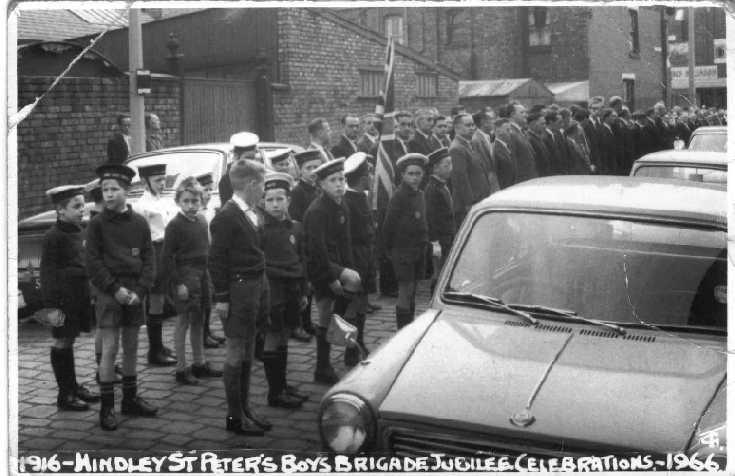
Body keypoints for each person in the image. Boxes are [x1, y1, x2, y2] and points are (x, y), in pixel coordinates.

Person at [86, 163, 157, 431]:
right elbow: (93, 262)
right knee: (110, 348)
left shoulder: (139, 223)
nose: (109, 194)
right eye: (105, 189)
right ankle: (107, 408)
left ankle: (130, 399)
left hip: (134, 293)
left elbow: (150, 258)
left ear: (127, 191)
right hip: (109, 292)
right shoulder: (97, 224)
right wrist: (115, 289)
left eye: (114, 189)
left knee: (131, 346)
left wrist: (139, 291)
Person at [209, 158, 272, 436]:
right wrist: (222, 297)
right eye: (263, 185)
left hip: (255, 286)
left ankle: (245, 408)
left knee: (247, 349)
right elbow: (216, 260)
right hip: (238, 290)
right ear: (251, 184)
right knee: (236, 351)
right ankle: (234, 417)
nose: (265, 190)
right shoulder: (226, 216)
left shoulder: (250, 211)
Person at [41, 185, 100, 412]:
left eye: (83, 204)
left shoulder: (78, 230)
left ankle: (73, 386)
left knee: (71, 340)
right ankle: (64, 394)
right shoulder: (53, 236)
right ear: (60, 210)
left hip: (78, 296)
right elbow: (46, 273)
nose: (82, 209)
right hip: (62, 300)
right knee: (62, 341)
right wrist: (52, 306)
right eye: (76, 206)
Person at [303, 158, 361, 384]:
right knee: (326, 313)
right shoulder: (317, 211)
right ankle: (322, 366)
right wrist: (331, 279)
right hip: (320, 267)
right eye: (333, 180)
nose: (339, 184)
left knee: (353, 284)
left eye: (342, 179)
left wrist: (350, 266)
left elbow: (345, 243)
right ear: (321, 185)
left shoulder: (341, 204)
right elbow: (316, 251)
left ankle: (340, 325)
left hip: (336, 263)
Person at [161, 177, 223, 385]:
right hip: (185, 276)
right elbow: (167, 257)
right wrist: (178, 283)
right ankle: (181, 368)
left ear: (201, 201)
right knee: (183, 320)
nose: (190, 206)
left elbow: (206, 249)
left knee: (200, 318)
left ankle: (200, 362)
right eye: (186, 201)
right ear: (178, 201)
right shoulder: (174, 226)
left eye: (194, 201)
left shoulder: (202, 220)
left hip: (202, 274)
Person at [260, 172, 310, 407]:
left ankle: (282, 384)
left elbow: (301, 260)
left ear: (288, 200)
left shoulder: (296, 228)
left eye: (280, 199)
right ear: (263, 202)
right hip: (272, 292)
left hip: (292, 289)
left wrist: (302, 291)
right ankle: (274, 392)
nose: (275, 204)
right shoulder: (260, 231)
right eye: (270, 200)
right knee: (272, 336)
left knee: (284, 336)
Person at [132, 163, 177, 366]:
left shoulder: (166, 200)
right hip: (153, 251)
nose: (162, 184)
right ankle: (154, 350)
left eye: (163, 179)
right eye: (157, 180)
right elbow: (139, 238)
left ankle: (159, 346)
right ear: (145, 181)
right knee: (156, 300)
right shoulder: (141, 206)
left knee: (164, 298)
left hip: (168, 250)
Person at [382, 153, 429, 330]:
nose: (415, 177)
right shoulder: (399, 197)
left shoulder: (420, 195)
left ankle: (410, 327)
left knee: (413, 291)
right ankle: (402, 330)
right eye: (410, 173)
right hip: (403, 251)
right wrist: (390, 251)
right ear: (402, 175)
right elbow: (388, 226)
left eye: (418, 173)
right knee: (405, 291)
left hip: (418, 250)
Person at [85, 180, 124, 384]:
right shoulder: (98, 223)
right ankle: (103, 368)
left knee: (103, 327)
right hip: (103, 281)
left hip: (101, 280)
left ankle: (105, 366)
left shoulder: (97, 220)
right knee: (103, 326)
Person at [342, 152, 375, 368]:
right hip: (355, 258)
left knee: (362, 304)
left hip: (366, 256)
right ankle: (351, 349)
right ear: (362, 178)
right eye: (370, 173)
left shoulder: (361, 196)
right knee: (353, 306)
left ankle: (360, 338)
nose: (372, 177)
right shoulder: (348, 202)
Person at [288, 149, 324, 341]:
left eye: (316, 167)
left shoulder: (318, 189)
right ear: (300, 171)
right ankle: (298, 324)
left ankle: (308, 322)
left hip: (315, 243)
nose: (312, 171)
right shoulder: (297, 192)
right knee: (302, 287)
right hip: (302, 245)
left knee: (312, 287)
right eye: (308, 168)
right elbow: (295, 221)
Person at [195, 173, 222, 349]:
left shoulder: (212, 208)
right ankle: (202, 333)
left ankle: (208, 330)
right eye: (205, 190)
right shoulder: (195, 211)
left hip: (211, 254)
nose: (208, 193)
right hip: (200, 257)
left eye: (210, 189)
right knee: (203, 298)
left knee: (210, 295)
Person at [449, 113, 491, 225]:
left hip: (480, 200)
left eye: (473, 125)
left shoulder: (470, 144)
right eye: (468, 125)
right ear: (457, 128)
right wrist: (470, 204)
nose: (472, 128)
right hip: (468, 206)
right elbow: (460, 179)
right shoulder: (457, 148)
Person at [424, 148, 455, 291]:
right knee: (439, 272)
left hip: (448, 236)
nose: (450, 168)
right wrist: (435, 242)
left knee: (446, 270)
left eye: (450, 164)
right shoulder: (432, 189)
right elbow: (430, 218)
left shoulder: (442, 185)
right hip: (440, 239)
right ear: (435, 168)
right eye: (446, 165)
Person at [500, 102, 538, 183]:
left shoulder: (519, 131)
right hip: (521, 182)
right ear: (513, 114)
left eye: (526, 112)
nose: (526, 115)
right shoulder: (509, 132)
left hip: (529, 179)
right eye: (522, 112)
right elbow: (511, 163)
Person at [219, 132, 260, 204]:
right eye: (247, 158)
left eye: (253, 158)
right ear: (236, 157)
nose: (251, 162)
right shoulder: (226, 180)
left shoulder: (260, 176)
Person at [471, 110, 500, 192]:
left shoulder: (488, 136)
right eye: (491, 120)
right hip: (487, 181)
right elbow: (481, 164)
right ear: (484, 123)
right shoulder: (476, 140)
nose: (493, 122)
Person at [492, 118, 517, 189]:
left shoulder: (508, 146)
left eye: (510, 129)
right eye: (508, 130)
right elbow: (495, 175)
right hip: (504, 189)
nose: (511, 132)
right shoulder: (494, 149)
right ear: (498, 131)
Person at [526, 110, 552, 177]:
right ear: (533, 124)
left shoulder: (539, 137)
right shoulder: (529, 139)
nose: (544, 126)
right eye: (542, 124)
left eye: (545, 123)